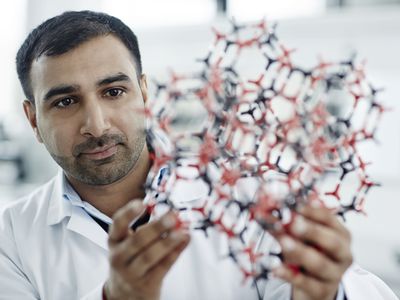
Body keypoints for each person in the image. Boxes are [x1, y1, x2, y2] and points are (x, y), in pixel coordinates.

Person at [0, 10, 397, 300]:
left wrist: (326, 290)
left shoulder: (249, 195)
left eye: (114, 92)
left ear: (144, 92)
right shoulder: (11, 239)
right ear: (33, 119)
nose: (97, 125)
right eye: (66, 101)